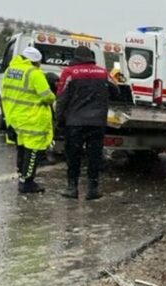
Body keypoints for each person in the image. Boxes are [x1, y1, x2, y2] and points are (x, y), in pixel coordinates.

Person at [55, 45, 116, 200]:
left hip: (75, 122)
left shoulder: (69, 73)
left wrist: (59, 119)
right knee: (94, 156)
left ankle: (72, 188)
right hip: (97, 122)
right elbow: (116, 90)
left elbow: (61, 97)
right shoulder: (102, 72)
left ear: (75, 58)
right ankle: (93, 189)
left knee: (73, 156)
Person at [0, 46, 56, 193]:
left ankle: (22, 177)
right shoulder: (34, 73)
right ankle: (27, 182)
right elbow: (47, 96)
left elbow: (5, 93)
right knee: (32, 152)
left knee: (22, 149)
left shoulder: (10, 70)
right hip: (32, 118)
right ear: (35, 61)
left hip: (15, 117)